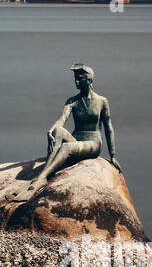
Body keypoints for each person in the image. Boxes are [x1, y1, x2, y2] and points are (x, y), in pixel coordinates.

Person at [25, 63, 121, 195]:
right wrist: (51, 130)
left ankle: (42, 176)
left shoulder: (102, 101)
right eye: (75, 78)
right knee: (58, 132)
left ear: (89, 80)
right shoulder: (73, 101)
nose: (76, 81)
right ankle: (44, 173)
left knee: (67, 147)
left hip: (93, 143)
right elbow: (62, 119)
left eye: (80, 78)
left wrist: (113, 155)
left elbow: (108, 128)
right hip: (77, 139)